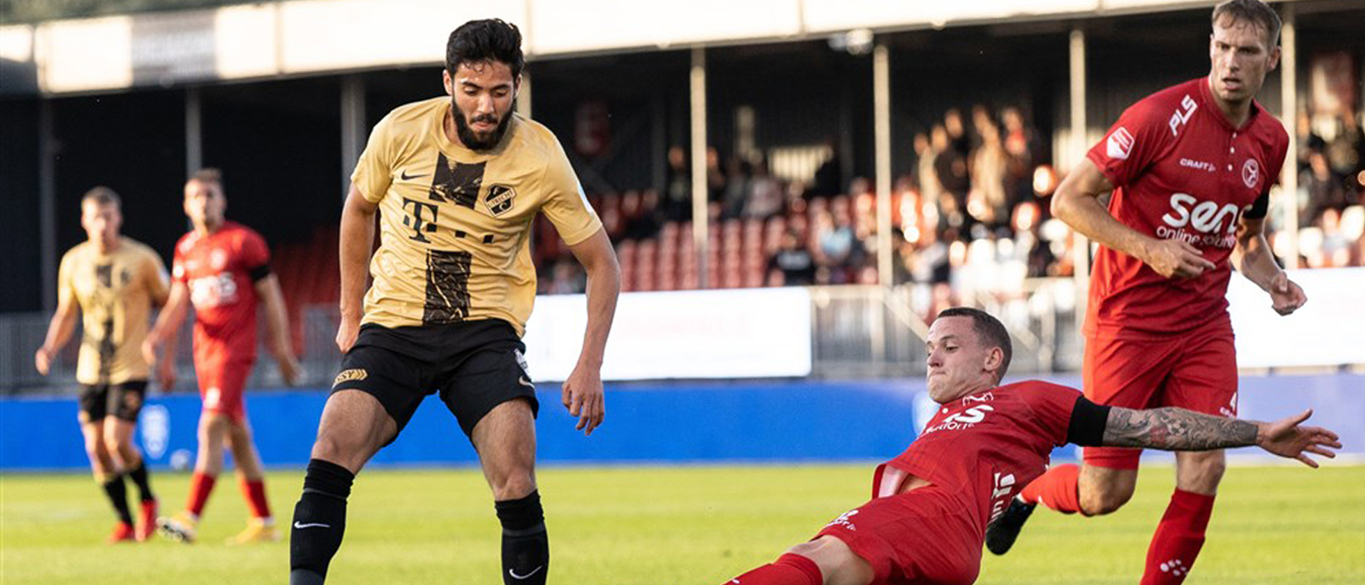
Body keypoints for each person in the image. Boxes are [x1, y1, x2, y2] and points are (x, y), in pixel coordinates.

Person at [286, 19, 620, 585]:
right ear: (448, 82)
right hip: (394, 326)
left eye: (499, 91)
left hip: (484, 334)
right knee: (331, 446)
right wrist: (350, 312)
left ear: (518, 86)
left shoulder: (541, 156)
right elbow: (358, 209)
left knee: (515, 475)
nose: (485, 106)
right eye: (471, 90)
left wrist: (590, 363)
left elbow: (603, 263)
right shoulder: (400, 130)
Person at [986, 3, 1308, 584]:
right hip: (1126, 325)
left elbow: (1247, 241)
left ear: (1273, 60)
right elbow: (1068, 200)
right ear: (1210, 46)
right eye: (1223, 47)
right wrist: (1149, 248)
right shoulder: (1158, 117)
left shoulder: (1271, 140)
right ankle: (1030, 489)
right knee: (1105, 493)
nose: (1231, 62)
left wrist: (1274, 279)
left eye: (1248, 52)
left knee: (1206, 465)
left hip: (1204, 327)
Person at [723, 307, 1338, 585]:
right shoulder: (951, 417)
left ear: (992, 359)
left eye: (949, 346)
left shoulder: (1029, 399)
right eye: (929, 347)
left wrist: (1256, 432)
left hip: (930, 518)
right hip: (948, 545)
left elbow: (1148, 426)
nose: (932, 356)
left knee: (817, 558)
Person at [143, 168, 301, 545]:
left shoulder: (243, 242)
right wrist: (158, 343)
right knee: (237, 437)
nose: (204, 202)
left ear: (223, 201)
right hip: (205, 353)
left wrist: (281, 348)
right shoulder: (185, 248)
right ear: (186, 205)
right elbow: (177, 304)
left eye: (210, 195)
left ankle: (190, 516)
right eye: (196, 196)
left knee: (211, 426)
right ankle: (264, 521)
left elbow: (272, 296)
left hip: (235, 350)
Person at [35, 187, 167, 543]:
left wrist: (163, 352)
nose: (103, 224)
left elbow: (170, 304)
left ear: (119, 218)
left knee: (116, 441)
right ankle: (125, 521)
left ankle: (148, 500)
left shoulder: (142, 258)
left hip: (132, 366)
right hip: (90, 369)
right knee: (96, 449)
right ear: (84, 221)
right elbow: (67, 313)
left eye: (108, 217)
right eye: (96, 217)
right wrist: (49, 347)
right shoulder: (73, 262)